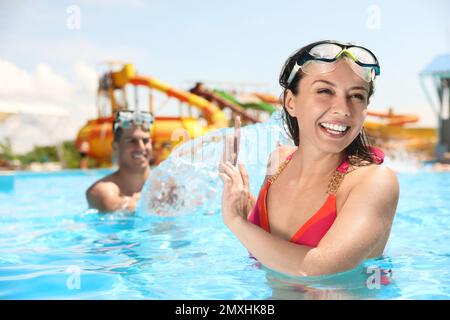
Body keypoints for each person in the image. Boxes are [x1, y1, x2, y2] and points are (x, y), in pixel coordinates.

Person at [218, 40, 399, 277]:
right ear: (291, 102)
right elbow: (270, 256)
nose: (343, 109)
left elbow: (315, 269)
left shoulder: (374, 182)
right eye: (325, 91)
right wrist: (243, 211)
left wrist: (236, 222)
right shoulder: (278, 162)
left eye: (356, 96)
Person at [86, 110, 154, 213]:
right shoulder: (102, 190)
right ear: (115, 148)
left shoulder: (168, 185)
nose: (141, 147)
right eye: (131, 141)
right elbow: (117, 209)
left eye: (145, 141)